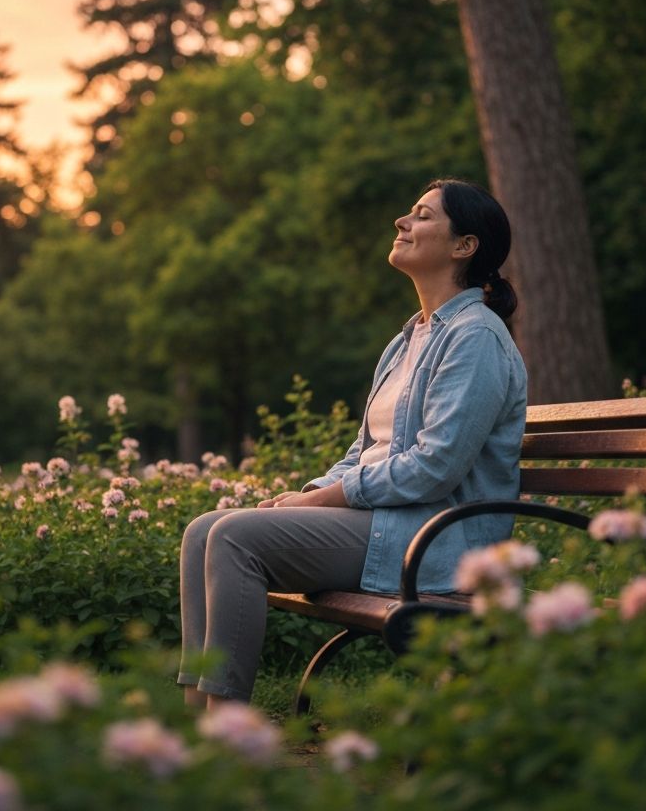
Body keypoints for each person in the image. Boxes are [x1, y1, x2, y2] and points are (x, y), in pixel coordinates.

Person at [178, 178, 527, 708]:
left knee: (234, 538)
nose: (402, 222)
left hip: (439, 538)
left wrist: (318, 503)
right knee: (203, 530)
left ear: (464, 246)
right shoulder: (410, 337)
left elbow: (435, 467)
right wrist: (307, 492)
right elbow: (363, 450)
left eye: (423, 215)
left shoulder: (474, 336)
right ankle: (195, 730)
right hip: (393, 520)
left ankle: (225, 740)